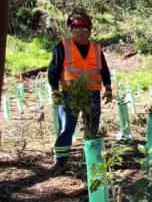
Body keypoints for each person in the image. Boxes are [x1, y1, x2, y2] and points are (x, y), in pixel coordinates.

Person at [47, 13, 112, 173]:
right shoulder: (63, 46)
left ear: (90, 31)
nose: (80, 32)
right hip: (70, 93)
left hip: (92, 93)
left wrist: (108, 87)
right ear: (71, 30)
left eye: (84, 29)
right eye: (77, 29)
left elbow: (104, 70)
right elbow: (54, 69)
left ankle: (90, 158)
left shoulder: (96, 48)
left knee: (92, 126)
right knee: (67, 127)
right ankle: (61, 160)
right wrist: (55, 89)